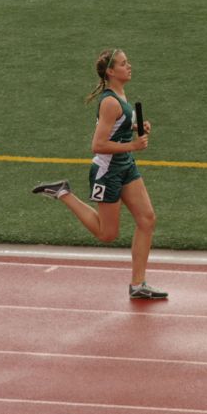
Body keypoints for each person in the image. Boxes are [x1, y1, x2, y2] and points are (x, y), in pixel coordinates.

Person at [33, 48, 167, 299]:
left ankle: (138, 284)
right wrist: (133, 145)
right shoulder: (109, 102)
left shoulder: (119, 94)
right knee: (107, 234)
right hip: (107, 171)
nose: (129, 66)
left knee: (147, 219)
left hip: (125, 165)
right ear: (110, 72)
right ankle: (63, 192)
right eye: (124, 64)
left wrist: (137, 126)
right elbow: (98, 144)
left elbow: (118, 125)